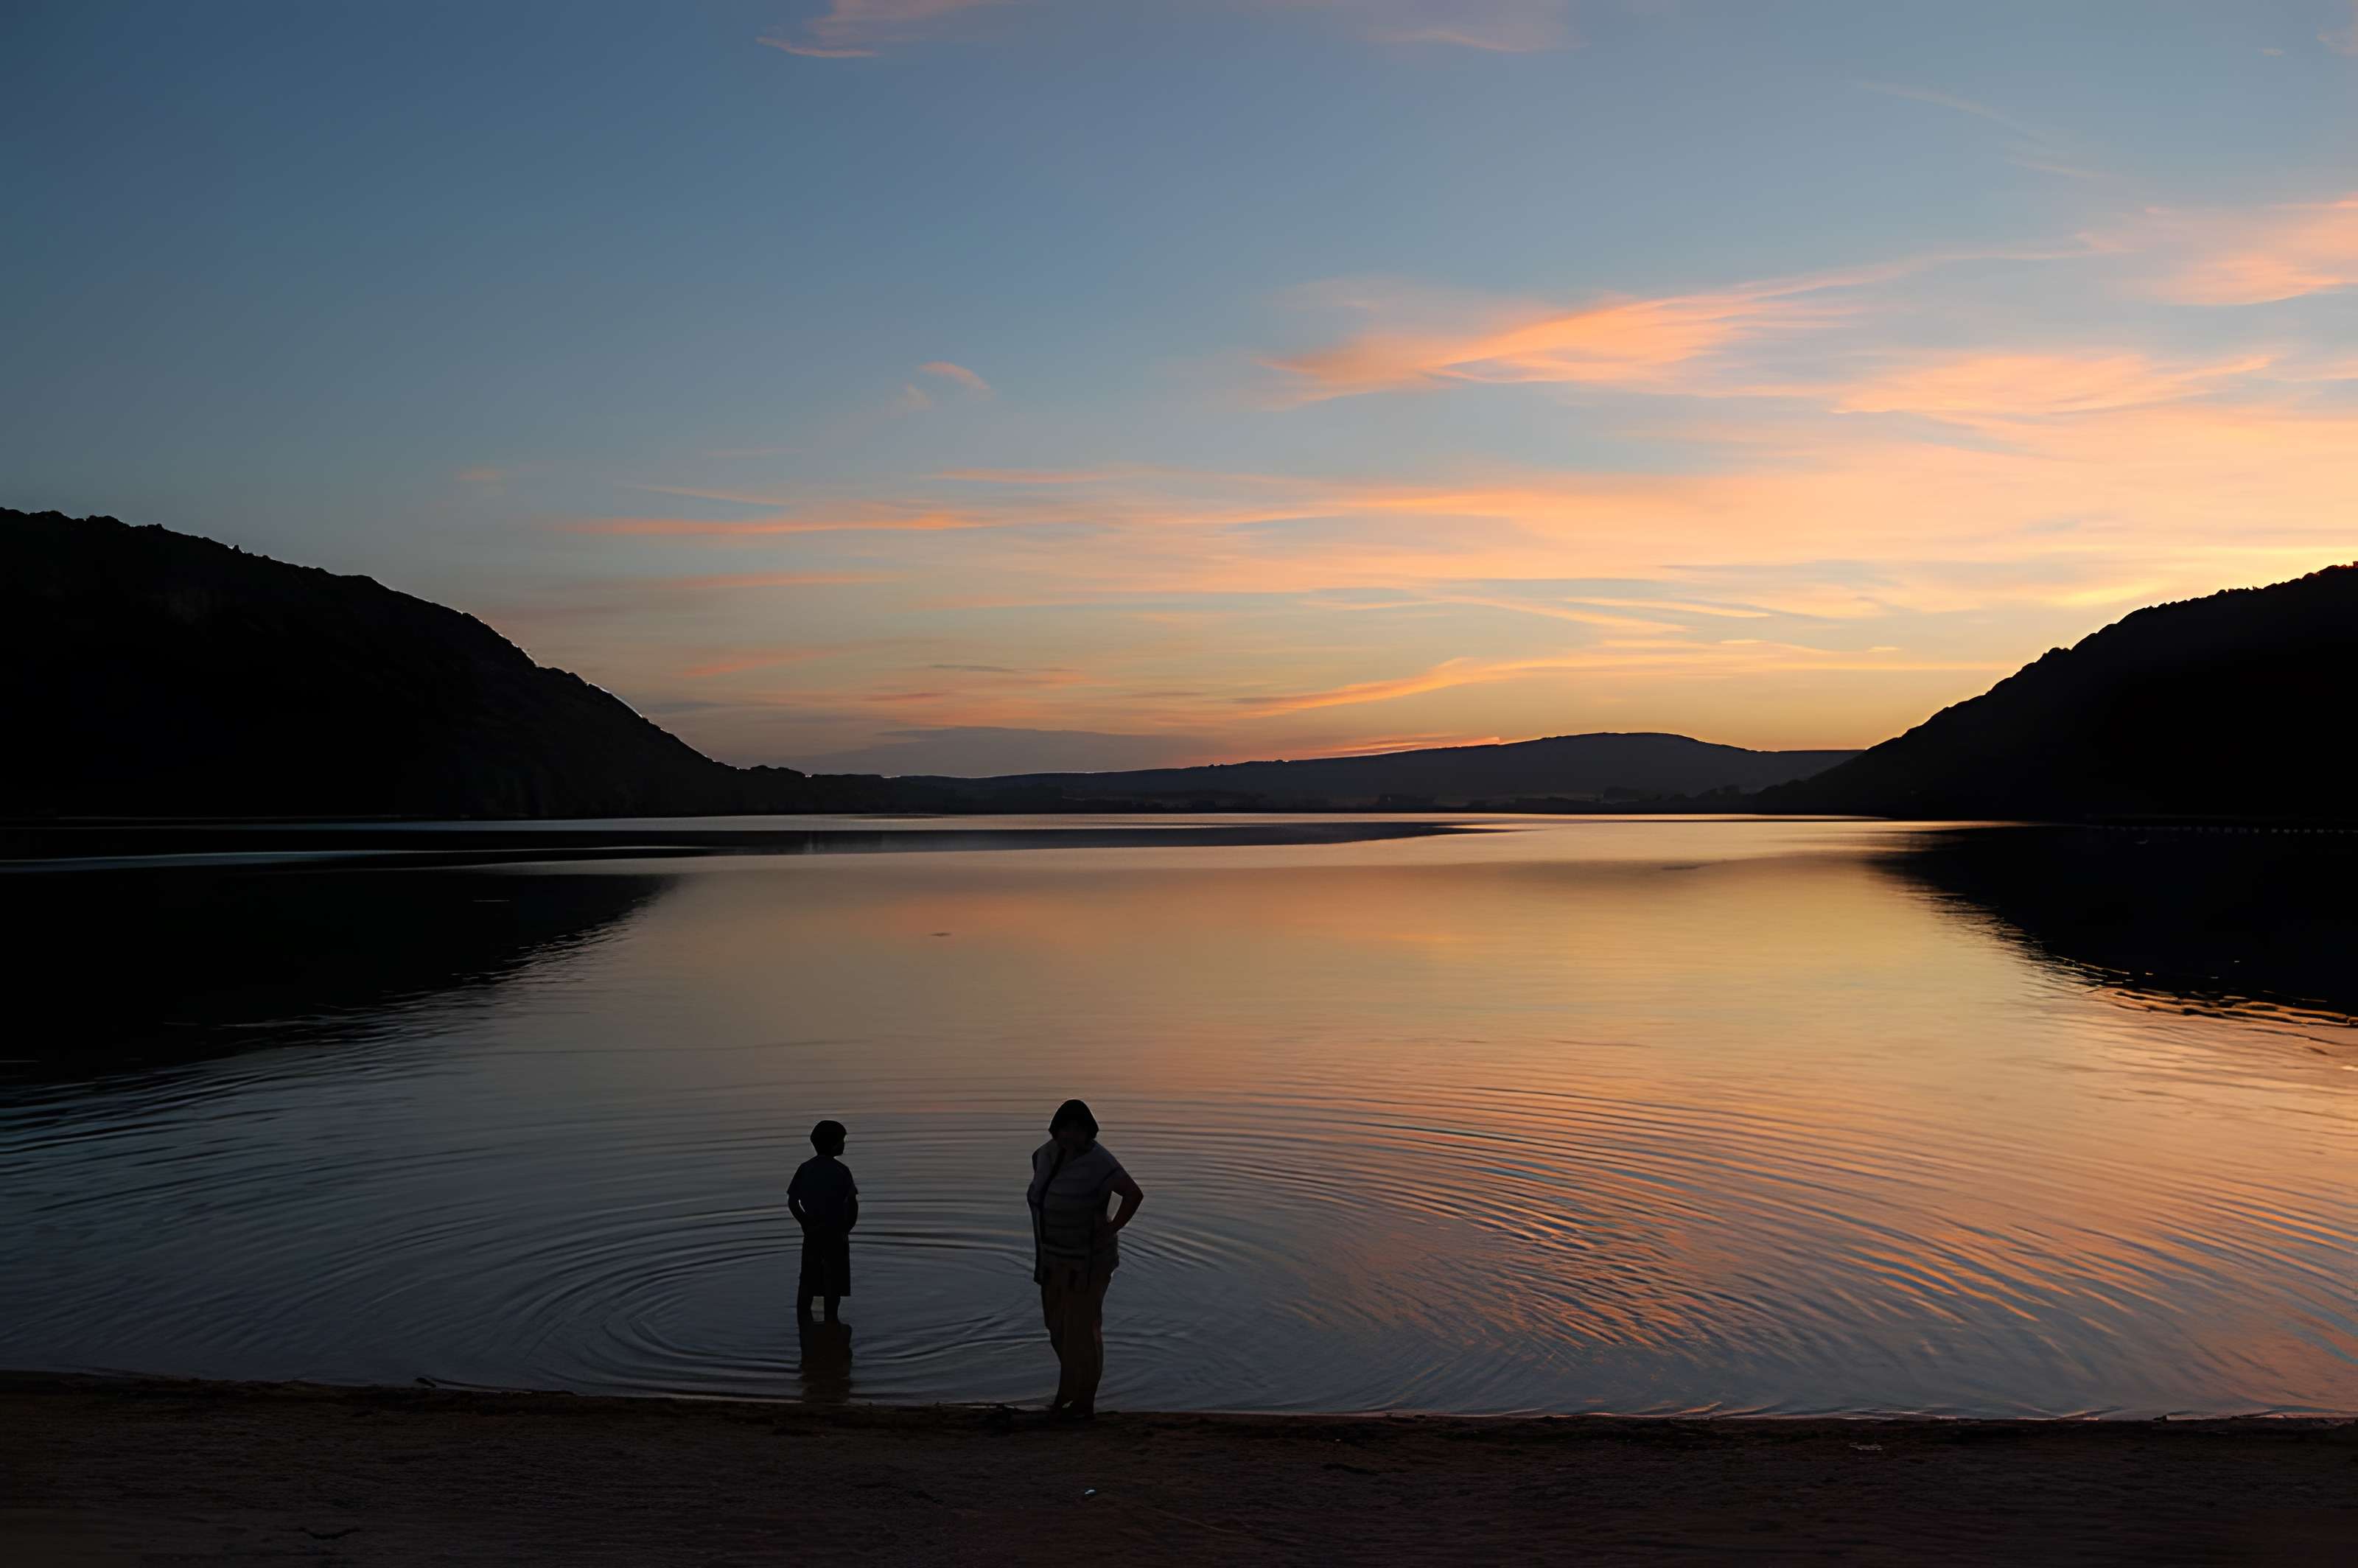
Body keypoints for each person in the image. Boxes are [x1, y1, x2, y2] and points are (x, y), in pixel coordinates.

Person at [1026, 1099, 1144, 1419]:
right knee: (1057, 1327)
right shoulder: (1044, 1155)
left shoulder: (1100, 1162)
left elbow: (1133, 1194)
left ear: (1089, 1132)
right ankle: (1068, 1389)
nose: (1070, 1136)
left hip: (1089, 1263)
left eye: (1078, 1130)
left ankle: (1084, 1401)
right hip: (1051, 1259)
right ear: (1056, 1129)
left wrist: (1111, 1228)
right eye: (1065, 1129)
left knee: (1083, 1328)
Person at [788, 1119, 858, 1323]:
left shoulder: (805, 1168)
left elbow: (793, 1201)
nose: (844, 1144)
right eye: (842, 1140)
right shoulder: (841, 1171)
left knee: (808, 1277)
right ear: (834, 1144)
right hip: (836, 1233)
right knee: (834, 1280)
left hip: (812, 1233)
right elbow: (852, 1202)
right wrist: (847, 1228)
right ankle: (831, 1320)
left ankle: (803, 1318)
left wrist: (805, 1222)